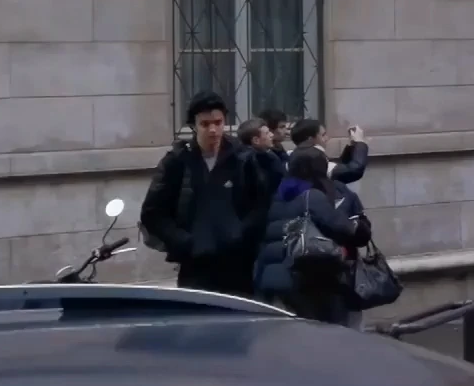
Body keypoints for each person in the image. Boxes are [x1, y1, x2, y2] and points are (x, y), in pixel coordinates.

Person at [139, 92, 270, 298]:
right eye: (205, 124)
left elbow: (262, 205)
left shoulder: (243, 158)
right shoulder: (177, 161)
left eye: (218, 123)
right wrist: (183, 241)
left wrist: (241, 234)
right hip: (195, 264)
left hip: (238, 263)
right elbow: (153, 213)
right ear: (194, 126)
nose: (213, 130)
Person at [251, 148, 372, 323]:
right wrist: (361, 226)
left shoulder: (279, 196)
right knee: (329, 335)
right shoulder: (312, 196)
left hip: (276, 278)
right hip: (308, 279)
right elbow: (344, 229)